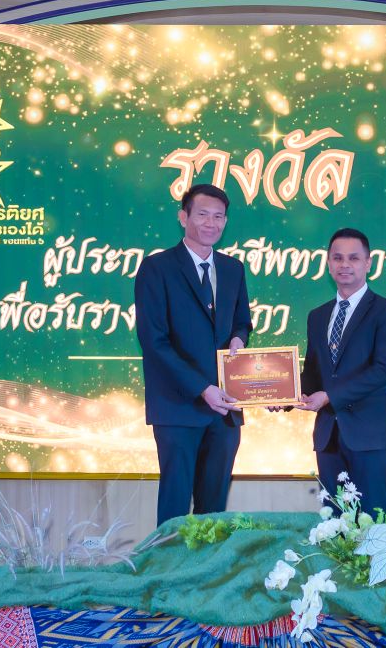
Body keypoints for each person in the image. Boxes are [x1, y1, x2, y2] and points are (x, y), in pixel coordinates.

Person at [134, 183, 253, 526]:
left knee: (213, 510)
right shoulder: (156, 268)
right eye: (202, 214)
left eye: (219, 216)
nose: (211, 223)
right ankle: (168, 562)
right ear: (183, 217)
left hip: (225, 409)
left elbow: (242, 322)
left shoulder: (233, 269)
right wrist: (202, 388)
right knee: (175, 508)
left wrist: (238, 340)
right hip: (178, 407)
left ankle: (209, 565)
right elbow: (154, 341)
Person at [297, 228, 386, 517]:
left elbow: (384, 370)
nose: (345, 264)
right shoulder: (317, 316)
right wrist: (282, 395)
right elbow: (313, 373)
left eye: (353, 258)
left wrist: (329, 397)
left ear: (368, 263)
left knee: (376, 526)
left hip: (372, 438)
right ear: (328, 263)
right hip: (329, 439)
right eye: (338, 258)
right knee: (334, 525)